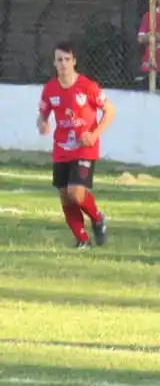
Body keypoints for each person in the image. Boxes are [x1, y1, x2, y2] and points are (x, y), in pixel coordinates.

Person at [36, 42, 115, 249]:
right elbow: (43, 114)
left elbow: (110, 111)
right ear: (54, 63)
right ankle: (82, 240)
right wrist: (43, 124)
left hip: (84, 148)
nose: (63, 64)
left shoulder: (87, 87)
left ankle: (97, 217)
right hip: (62, 148)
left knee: (76, 193)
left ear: (74, 61)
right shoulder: (50, 89)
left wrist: (94, 134)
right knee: (65, 195)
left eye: (67, 59)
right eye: (59, 60)